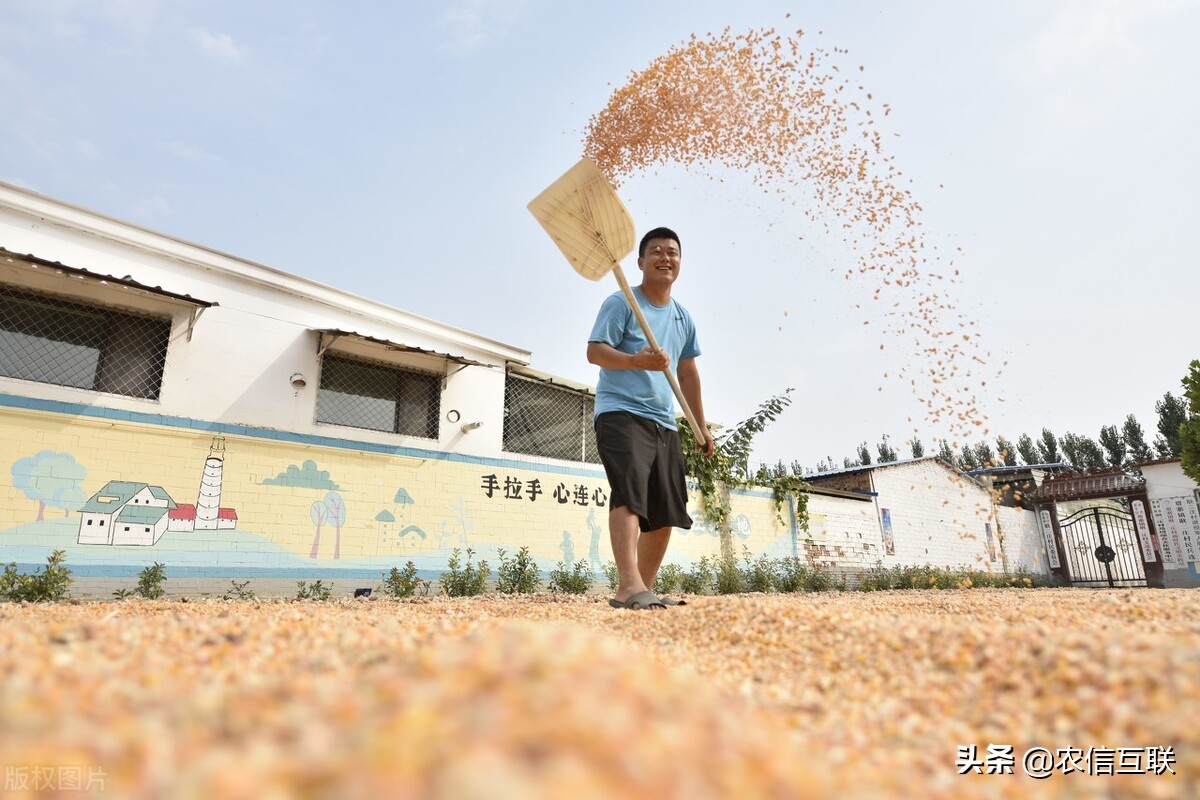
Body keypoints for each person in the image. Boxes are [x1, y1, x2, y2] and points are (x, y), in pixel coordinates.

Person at [586, 227, 715, 610]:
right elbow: (595, 352)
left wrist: (700, 424)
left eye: (672, 252)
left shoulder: (682, 317)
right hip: (621, 412)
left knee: (665, 510)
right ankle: (628, 585)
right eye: (655, 251)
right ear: (640, 262)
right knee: (629, 493)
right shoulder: (622, 303)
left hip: (665, 421)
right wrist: (637, 361)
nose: (665, 257)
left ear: (679, 263)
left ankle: (643, 589)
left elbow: (688, 372)